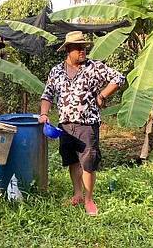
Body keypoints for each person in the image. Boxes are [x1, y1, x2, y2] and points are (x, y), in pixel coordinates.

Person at [38, 31, 125, 216]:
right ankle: (77, 195)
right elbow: (47, 95)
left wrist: (102, 95)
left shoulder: (94, 67)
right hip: (66, 125)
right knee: (72, 160)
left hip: (88, 124)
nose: (82, 50)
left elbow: (118, 78)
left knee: (88, 162)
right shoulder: (56, 71)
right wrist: (44, 114)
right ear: (67, 50)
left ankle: (88, 199)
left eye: (84, 47)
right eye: (78, 48)